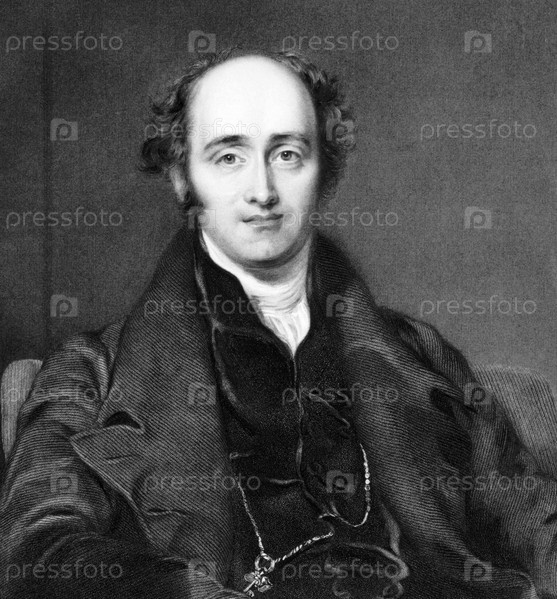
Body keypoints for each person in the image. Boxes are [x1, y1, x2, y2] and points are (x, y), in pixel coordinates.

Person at [1, 49, 555, 599]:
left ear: (325, 172)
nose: (263, 191)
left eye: (287, 154)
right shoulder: (91, 374)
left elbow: (536, 524)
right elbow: (40, 553)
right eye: (229, 157)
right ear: (181, 176)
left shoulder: (419, 352)